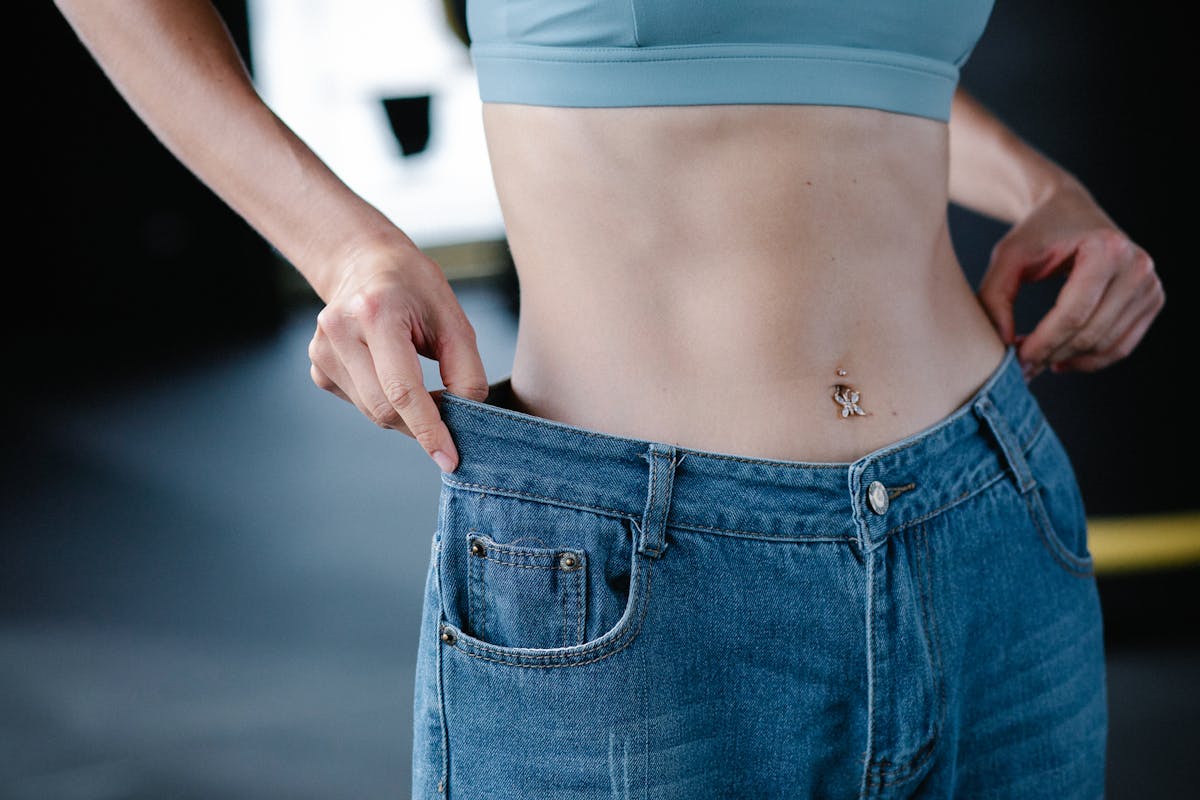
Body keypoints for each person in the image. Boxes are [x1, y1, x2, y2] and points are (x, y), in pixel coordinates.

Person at [55, 1, 1163, 798]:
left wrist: (1043, 186)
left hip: (986, 526)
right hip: (636, 584)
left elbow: (841, 53)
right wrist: (344, 248)